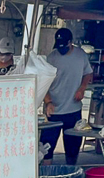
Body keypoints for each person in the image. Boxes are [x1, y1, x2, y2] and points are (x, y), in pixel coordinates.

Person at [40, 28, 92, 167]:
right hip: (54, 110)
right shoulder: (51, 58)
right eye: (59, 46)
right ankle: (47, 175)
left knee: (72, 149)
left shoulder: (81, 55)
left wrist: (82, 89)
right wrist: (48, 102)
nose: (61, 49)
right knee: (46, 148)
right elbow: (43, 84)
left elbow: (88, 74)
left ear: (71, 42)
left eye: (64, 45)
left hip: (73, 110)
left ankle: (71, 173)